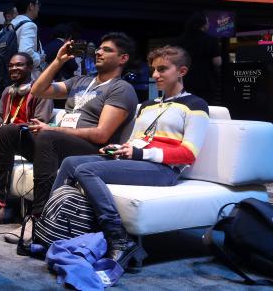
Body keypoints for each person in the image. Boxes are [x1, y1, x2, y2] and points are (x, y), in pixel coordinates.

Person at [52, 46, 209, 267]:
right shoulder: (146, 105)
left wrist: (140, 152)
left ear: (181, 71)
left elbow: (188, 154)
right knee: (70, 163)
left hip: (164, 170)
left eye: (162, 69)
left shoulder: (195, 105)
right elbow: (135, 140)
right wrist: (119, 147)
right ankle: (49, 225)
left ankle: (118, 238)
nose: (155, 75)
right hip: (135, 160)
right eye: (154, 70)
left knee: (85, 169)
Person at [0, 33, 139, 242]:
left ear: (123, 58)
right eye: (99, 48)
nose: (98, 52)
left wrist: (53, 130)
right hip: (57, 146)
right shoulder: (80, 81)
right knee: (8, 132)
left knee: (47, 138)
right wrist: (58, 61)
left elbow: (101, 134)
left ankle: (39, 217)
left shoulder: (121, 88)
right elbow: (38, 90)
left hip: (90, 152)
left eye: (107, 50)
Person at [0, 53, 53, 191]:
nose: (14, 68)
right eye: (11, 65)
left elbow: (38, 125)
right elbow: (0, 119)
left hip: (25, 140)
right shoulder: (8, 91)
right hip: (4, 137)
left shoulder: (41, 92)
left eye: (19, 64)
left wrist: (6, 129)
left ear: (30, 67)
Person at [174, 12, 221, 103]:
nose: (208, 24)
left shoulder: (180, 40)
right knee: (205, 106)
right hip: (206, 80)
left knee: (185, 105)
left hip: (184, 79)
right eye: (207, 21)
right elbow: (217, 62)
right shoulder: (210, 39)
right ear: (202, 24)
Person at [11, 0, 45, 78]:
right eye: (38, 4)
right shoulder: (29, 25)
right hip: (27, 80)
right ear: (31, 6)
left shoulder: (11, 24)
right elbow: (26, 52)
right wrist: (40, 58)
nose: (38, 7)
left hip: (11, 76)